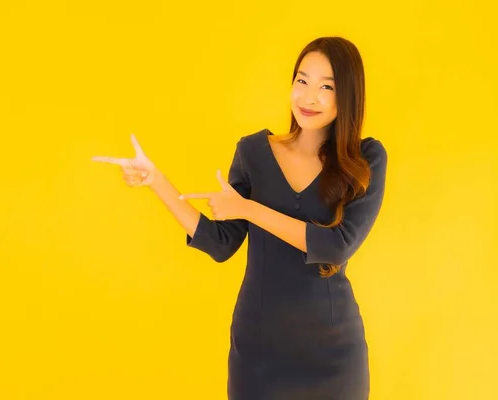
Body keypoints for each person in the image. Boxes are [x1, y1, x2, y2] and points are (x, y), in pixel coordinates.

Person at [93, 36, 387, 400]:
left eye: (326, 86)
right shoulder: (253, 152)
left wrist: (249, 209)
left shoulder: (365, 159)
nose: (309, 97)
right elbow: (221, 244)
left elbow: (336, 246)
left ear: (348, 94)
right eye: (302, 81)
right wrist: (157, 181)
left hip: (332, 353)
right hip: (259, 350)